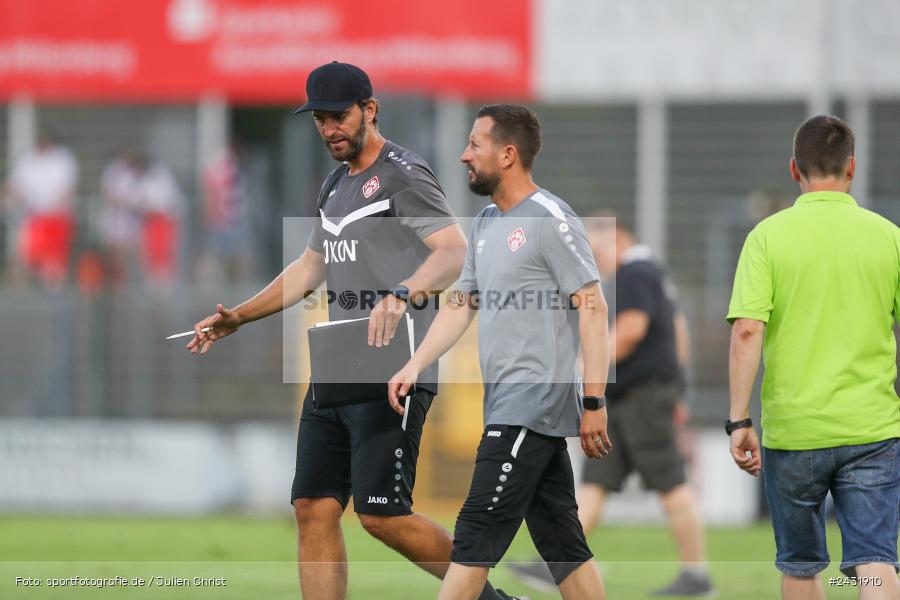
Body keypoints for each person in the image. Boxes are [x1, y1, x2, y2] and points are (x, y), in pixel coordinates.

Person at [187, 62, 524, 600]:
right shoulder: (333, 186)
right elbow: (308, 267)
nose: (328, 129)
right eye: (319, 119)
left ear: (369, 110)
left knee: (381, 515)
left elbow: (454, 252)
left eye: (338, 116)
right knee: (312, 506)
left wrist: (403, 291)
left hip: (394, 361)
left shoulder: (403, 174)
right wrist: (239, 318)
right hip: (336, 360)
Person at [389, 104, 611, 600]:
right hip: (516, 409)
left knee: (471, 540)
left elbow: (593, 310)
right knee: (564, 549)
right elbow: (461, 304)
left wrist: (594, 402)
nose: (463, 154)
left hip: (529, 408)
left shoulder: (551, 219)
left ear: (508, 155)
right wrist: (415, 362)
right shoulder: (487, 221)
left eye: (475, 144)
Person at [727, 115, 900, 600]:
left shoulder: (767, 237)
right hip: (872, 428)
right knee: (875, 563)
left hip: (794, 429)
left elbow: (746, 331)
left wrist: (738, 419)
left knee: (801, 568)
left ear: (793, 169)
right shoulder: (888, 236)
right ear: (852, 167)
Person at [508, 217, 714, 596]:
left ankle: (697, 575)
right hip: (631, 397)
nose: (594, 261)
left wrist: (589, 366)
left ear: (617, 239)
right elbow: (680, 328)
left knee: (670, 481)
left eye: (596, 250)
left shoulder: (636, 271)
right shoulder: (654, 274)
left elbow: (633, 328)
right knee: (594, 485)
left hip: (642, 396)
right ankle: (557, 565)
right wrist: (679, 385)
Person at [5, 134, 78, 288]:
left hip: (55, 216)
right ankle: (23, 289)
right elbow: (14, 187)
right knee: (26, 256)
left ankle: (53, 287)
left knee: (53, 259)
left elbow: (68, 189)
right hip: (33, 217)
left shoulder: (63, 159)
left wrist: (58, 206)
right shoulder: (27, 160)